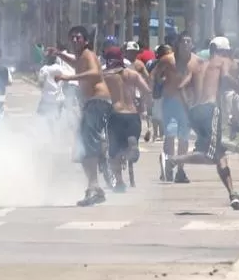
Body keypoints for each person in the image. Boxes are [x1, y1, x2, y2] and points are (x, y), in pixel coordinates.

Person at [159, 37, 239, 210]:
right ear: (223, 51)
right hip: (211, 110)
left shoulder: (199, 65)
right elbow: (227, 78)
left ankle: (233, 194)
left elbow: (181, 87)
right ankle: (172, 159)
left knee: (220, 156)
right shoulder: (222, 61)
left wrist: (188, 110)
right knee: (209, 156)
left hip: (196, 111)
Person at [50, 26, 113, 207]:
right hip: (93, 103)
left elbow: (95, 73)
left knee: (87, 144)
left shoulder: (87, 55)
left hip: (97, 101)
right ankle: (95, 187)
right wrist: (59, 54)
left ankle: (93, 187)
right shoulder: (81, 58)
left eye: (78, 38)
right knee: (82, 145)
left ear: (85, 40)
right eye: (72, 38)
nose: (75, 40)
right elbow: (75, 62)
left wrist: (69, 78)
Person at [150, 33, 200, 183]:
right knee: (170, 136)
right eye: (183, 41)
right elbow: (154, 74)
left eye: (188, 41)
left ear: (192, 44)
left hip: (187, 105)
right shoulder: (168, 60)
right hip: (170, 102)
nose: (185, 44)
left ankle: (180, 169)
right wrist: (158, 85)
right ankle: (168, 165)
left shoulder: (196, 62)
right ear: (177, 44)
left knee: (184, 139)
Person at [103, 46, 151, 190]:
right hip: (132, 114)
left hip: (115, 115)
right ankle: (131, 148)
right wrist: (143, 107)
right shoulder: (133, 74)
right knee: (131, 140)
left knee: (113, 152)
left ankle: (119, 182)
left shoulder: (106, 75)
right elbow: (147, 91)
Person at [36, 53, 72, 118]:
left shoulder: (44, 69)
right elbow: (67, 80)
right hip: (59, 98)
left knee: (46, 117)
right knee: (57, 118)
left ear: (47, 59)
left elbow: (40, 83)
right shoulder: (61, 68)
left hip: (47, 99)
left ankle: (50, 127)